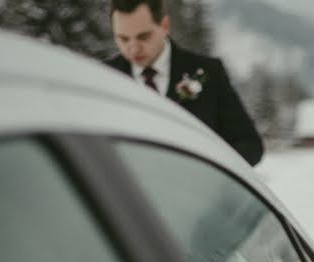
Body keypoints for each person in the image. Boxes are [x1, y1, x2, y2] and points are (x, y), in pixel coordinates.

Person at [105, 0, 264, 166]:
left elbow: (250, 145)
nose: (133, 48)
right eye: (123, 39)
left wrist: (207, 171)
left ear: (164, 25)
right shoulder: (104, 77)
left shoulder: (208, 73)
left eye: (143, 36)